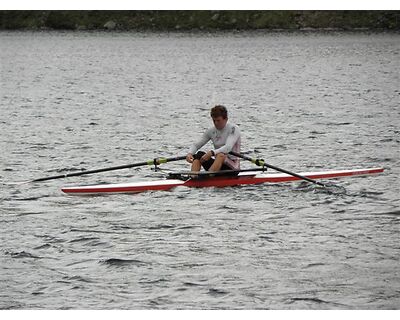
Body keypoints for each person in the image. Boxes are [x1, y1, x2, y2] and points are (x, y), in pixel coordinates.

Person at [186, 105, 241, 173]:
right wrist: (190, 153)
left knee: (220, 155)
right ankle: (193, 177)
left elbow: (228, 148)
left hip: (232, 168)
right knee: (199, 154)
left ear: (226, 119)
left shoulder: (233, 129)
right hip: (217, 166)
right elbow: (196, 145)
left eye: (218, 120)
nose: (216, 123)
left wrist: (211, 153)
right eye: (214, 120)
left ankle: (209, 177)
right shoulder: (211, 131)